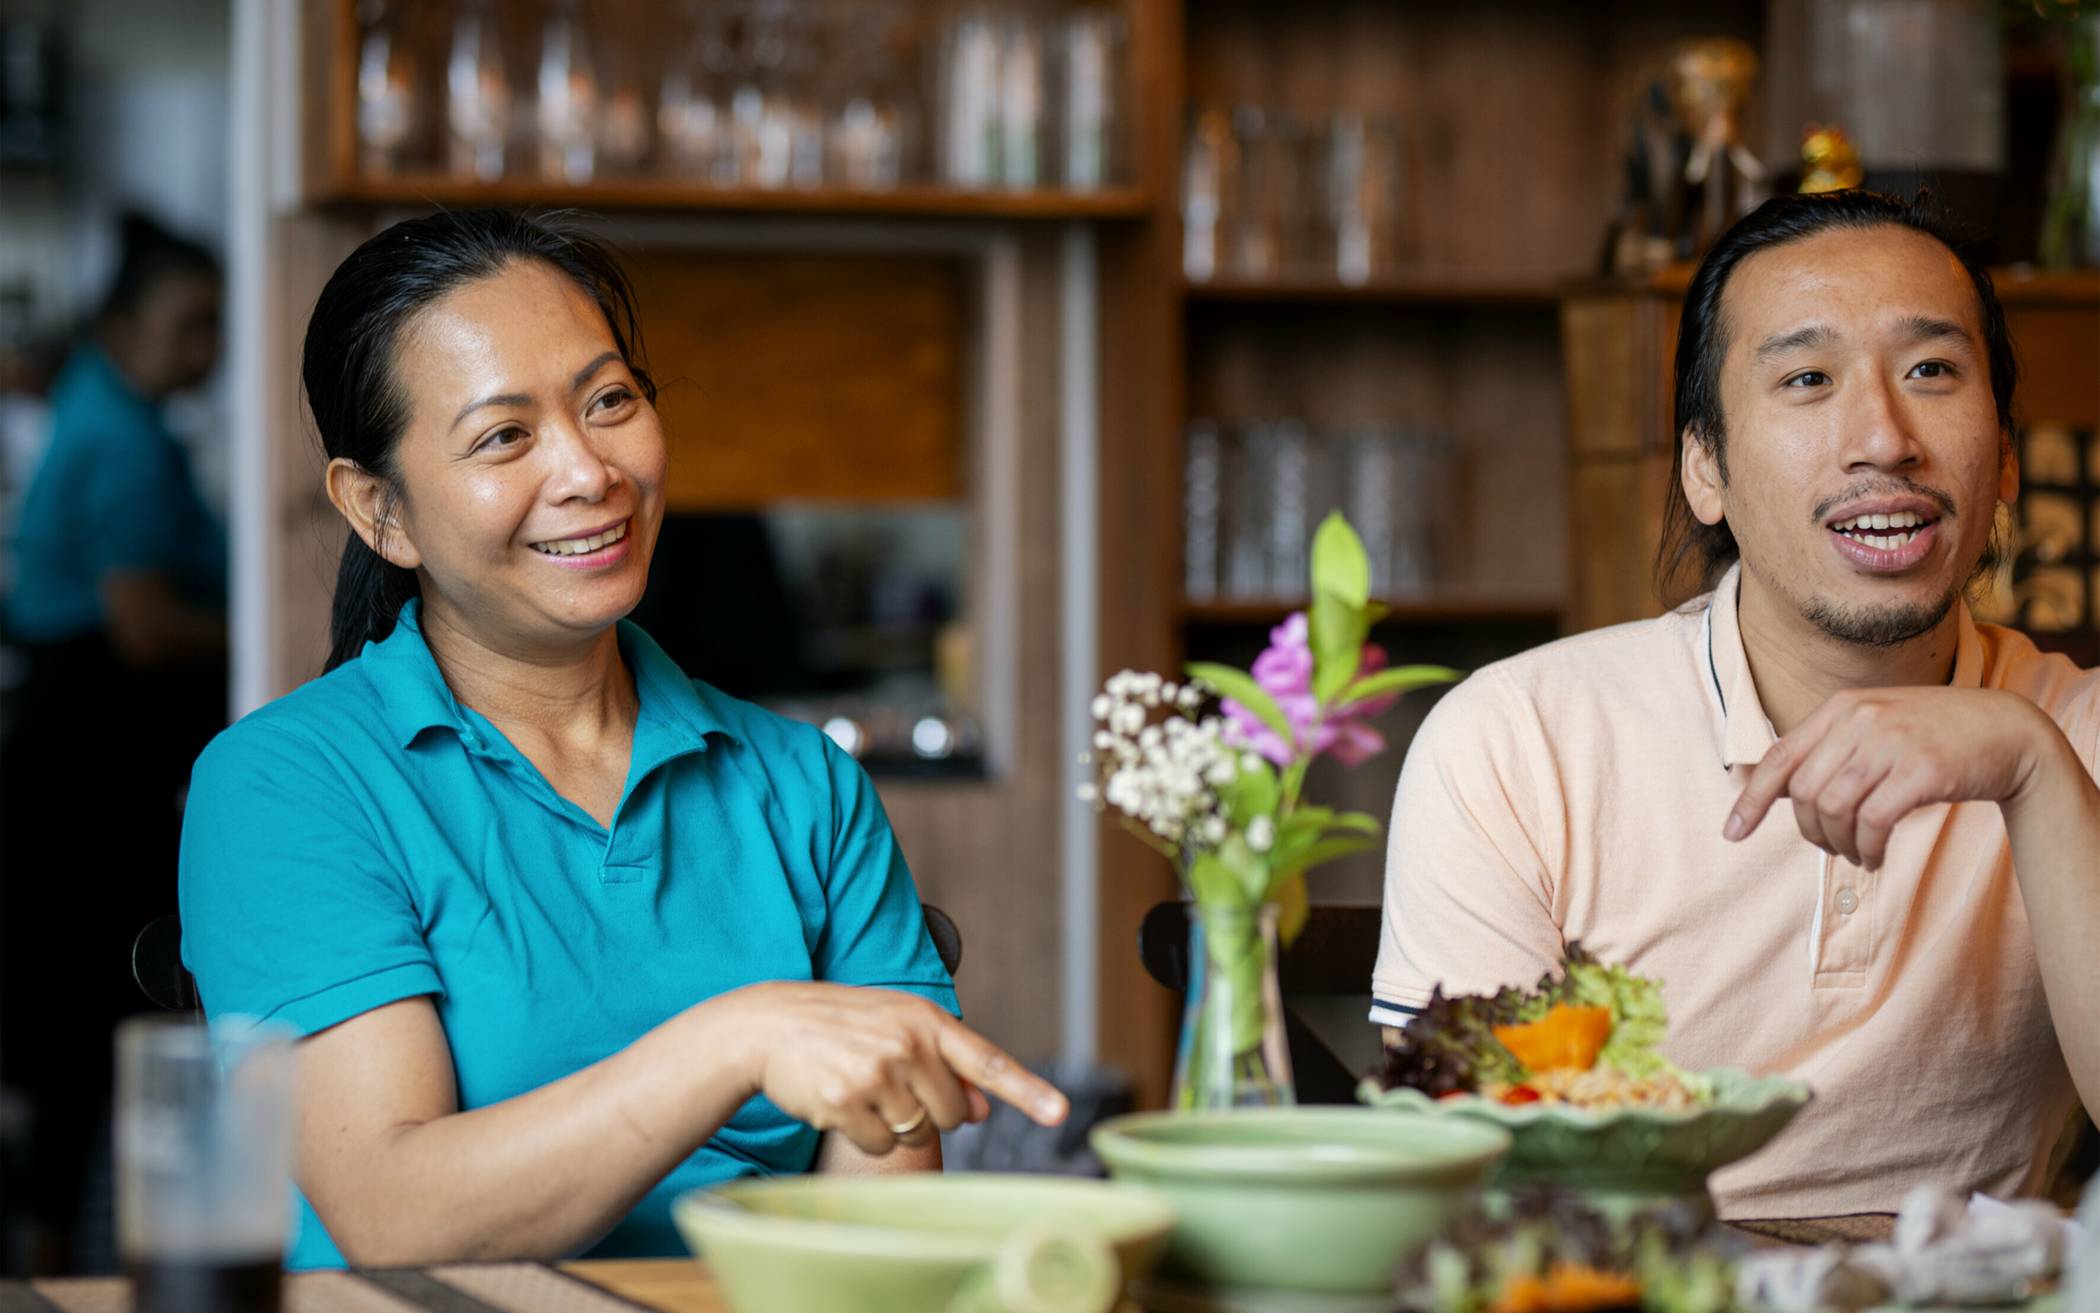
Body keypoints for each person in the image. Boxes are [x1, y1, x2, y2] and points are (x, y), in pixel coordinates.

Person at [176, 209, 1065, 1270]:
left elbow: (877, 1230)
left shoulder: (808, 789)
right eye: (505, 436)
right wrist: (735, 1038)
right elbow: (392, 1212)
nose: (591, 470)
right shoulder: (286, 785)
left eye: (610, 401)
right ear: (381, 511)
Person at [1372, 190, 2099, 1223]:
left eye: (1932, 370)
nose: (1883, 438)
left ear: (2008, 454)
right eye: (1807, 378)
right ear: (1703, 467)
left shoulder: (2076, 733)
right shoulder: (1519, 739)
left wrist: (2031, 769)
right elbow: (1462, 1177)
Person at [0, 209, 227, 1272]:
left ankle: (59, 1257)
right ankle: (73, 1271)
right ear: (125, 324)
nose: (208, 351)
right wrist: (261, 610)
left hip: (60, 736)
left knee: (68, 1018)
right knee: (97, 1012)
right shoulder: (130, 437)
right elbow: (142, 621)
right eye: (190, 325)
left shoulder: (94, 399)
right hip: (96, 749)